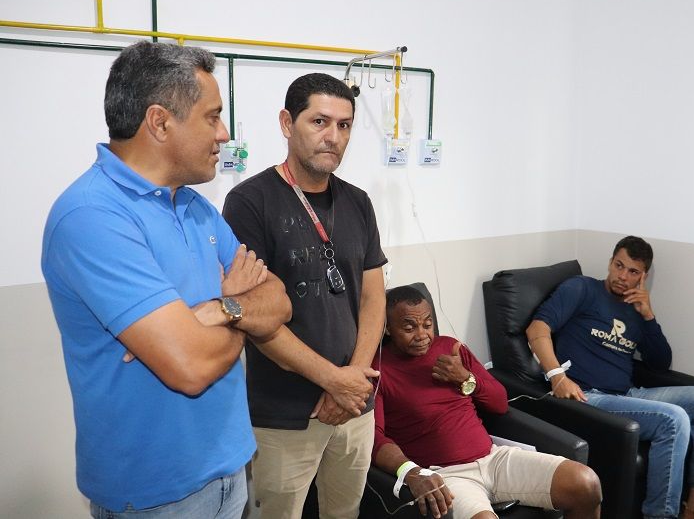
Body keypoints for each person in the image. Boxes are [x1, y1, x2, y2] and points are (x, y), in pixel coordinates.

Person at [41, 41, 294, 518]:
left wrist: (220, 309)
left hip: (231, 467)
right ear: (159, 122)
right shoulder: (92, 216)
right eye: (212, 117)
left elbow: (279, 300)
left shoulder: (196, 207)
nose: (224, 134)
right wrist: (242, 312)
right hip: (155, 494)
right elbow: (191, 368)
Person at [222, 72, 387, 518]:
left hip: (355, 405)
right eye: (319, 121)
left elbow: (374, 298)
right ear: (286, 123)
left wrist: (353, 378)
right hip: (284, 414)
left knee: (345, 512)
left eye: (344, 125)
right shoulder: (249, 202)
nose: (333, 136)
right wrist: (333, 380)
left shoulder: (358, 202)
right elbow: (255, 317)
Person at [526, 236, 694, 519]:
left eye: (633, 271)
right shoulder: (582, 288)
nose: (623, 276)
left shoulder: (636, 309)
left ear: (643, 276)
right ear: (610, 262)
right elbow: (537, 329)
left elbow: (660, 363)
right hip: (587, 396)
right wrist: (557, 376)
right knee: (673, 419)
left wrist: (648, 316)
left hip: (628, 394)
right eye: (619, 266)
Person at [373, 285, 602, 519]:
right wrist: (411, 472)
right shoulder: (378, 370)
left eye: (428, 324)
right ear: (388, 328)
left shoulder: (450, 348)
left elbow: (500, 403)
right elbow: (374, 437)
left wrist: (466, 378)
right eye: (409, 328)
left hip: (493, 458)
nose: (422, 335)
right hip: (445, 475)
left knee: (586, 483)